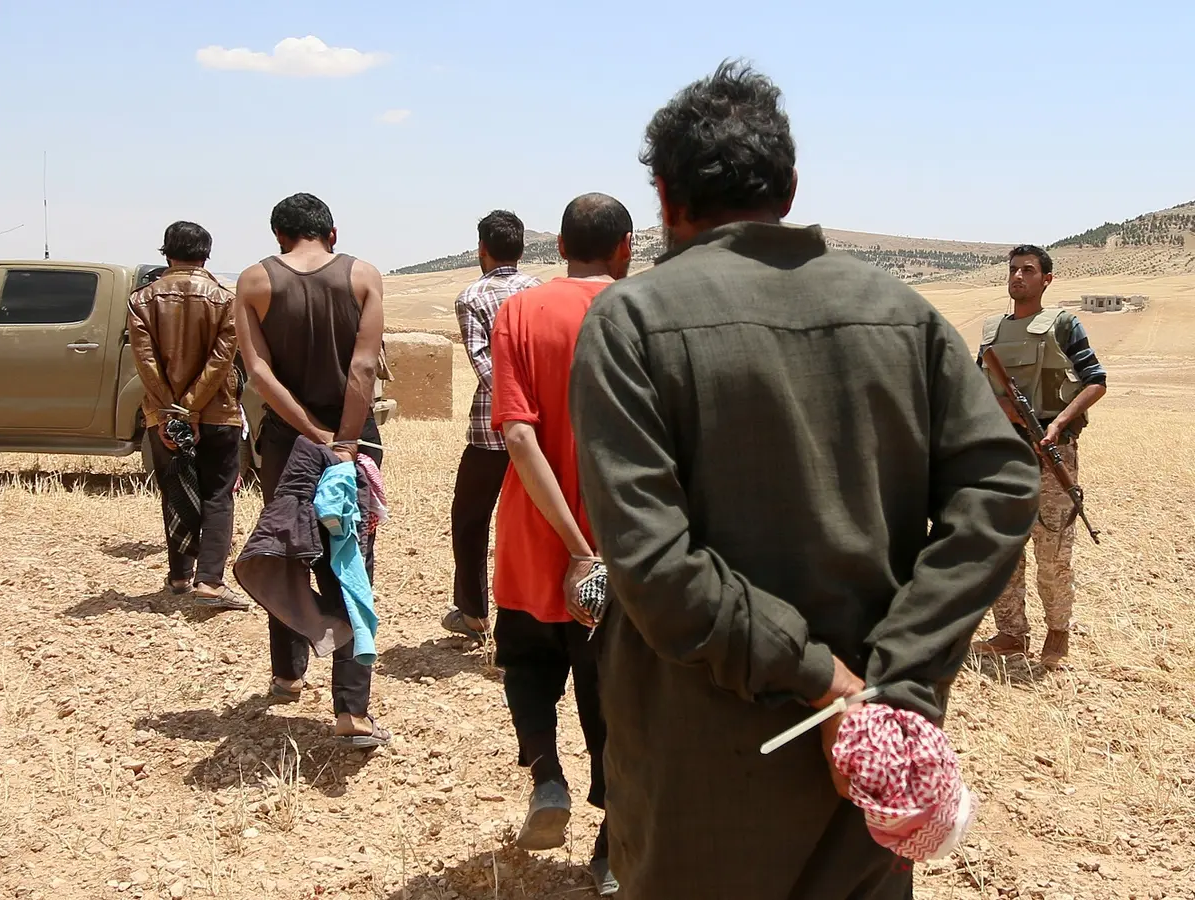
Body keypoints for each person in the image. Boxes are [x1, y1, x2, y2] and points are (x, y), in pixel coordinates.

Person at [566, 62, 1041, 900]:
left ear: (665, 197)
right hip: (865, 781)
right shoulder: (904, 314)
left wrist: (829, 683)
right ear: (789, 189)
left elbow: (655, 567)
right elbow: (1003, 486)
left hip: (699, 778)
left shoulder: (631, 321)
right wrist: (893, 681)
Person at [489, 193, 633, 897]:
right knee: (614, 694)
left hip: (533, 531)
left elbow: (518, 435)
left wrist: (573, 547)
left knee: (525, 658)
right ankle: (611, 850)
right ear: (625, 248)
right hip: (622, 540)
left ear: (561, 247)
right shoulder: (639, 313)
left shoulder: (519, 311)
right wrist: (596, 548)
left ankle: (547, 775)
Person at [235, 192, 391, 746]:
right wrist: (343, 440)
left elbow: (259, 374)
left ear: (279, 237)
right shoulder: (363, 276)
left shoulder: (255, 281)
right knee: (350, 561)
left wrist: (311, 433)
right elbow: (364, 366)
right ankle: (352, 711)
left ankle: (287, 673)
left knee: (288, 547)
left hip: (287, 442)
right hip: (355, 439)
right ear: (333, 232)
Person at [970, 245, 1108, 669]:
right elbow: (973, 390)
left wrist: (1058, 423)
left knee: (1053, 551)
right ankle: (1011, 634)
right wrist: (1001, 408)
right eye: (1013, 269)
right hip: (1002, 454)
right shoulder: (992, 332)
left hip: (1051, 450)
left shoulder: (1064, 325)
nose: (1018, 276)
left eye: (1028, 270)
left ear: (1046, 279)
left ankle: (1057, 633)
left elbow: (1096, 381)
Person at [127, 221, 249, 610]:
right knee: (218, 494)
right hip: (218, 412)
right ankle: (210, 581)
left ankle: (180, 576)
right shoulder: (226, 300)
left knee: (175, 489)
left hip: (161, 414)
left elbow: (145, 362)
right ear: (206, 255)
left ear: (167, 253)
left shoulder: (141, 299)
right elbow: (222, 360)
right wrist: (192, 409)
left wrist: (172, 412)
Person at [442, 210, 542, 641]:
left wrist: (513, 409)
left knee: (470, 519)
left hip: (491, 431)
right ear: (521, 248)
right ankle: (537, 610)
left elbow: (486, 368)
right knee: (535, 522)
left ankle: (474, 614)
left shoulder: (471, 297)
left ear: (481, 249)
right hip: (539, 431)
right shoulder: (539, 291)